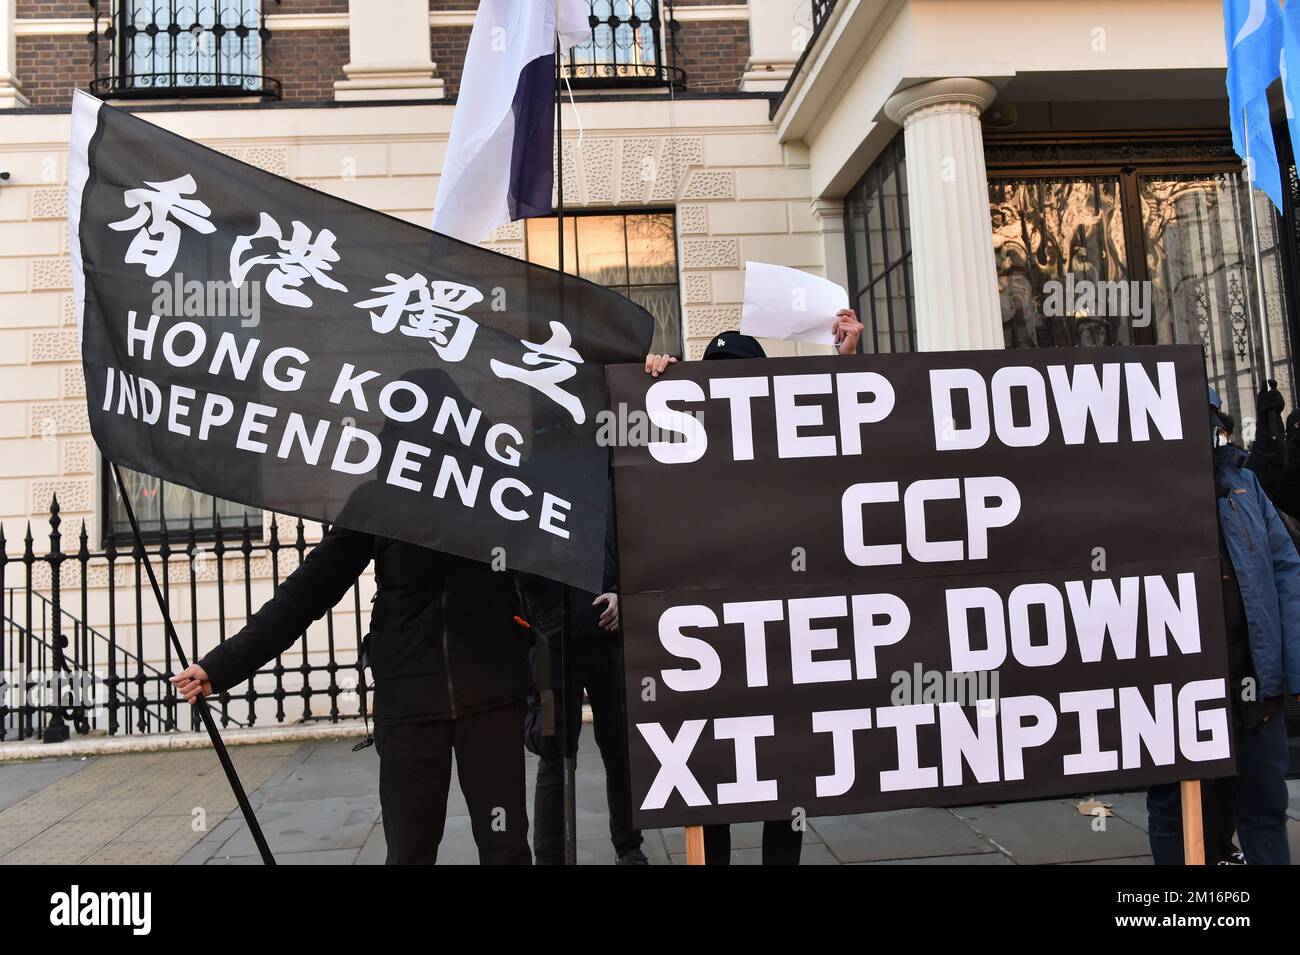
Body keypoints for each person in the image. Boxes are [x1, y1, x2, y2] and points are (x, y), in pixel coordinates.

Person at [643, 307, 864, 866]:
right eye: (715, 376)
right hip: (707, 642)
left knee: (784, 776)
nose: (726, 388)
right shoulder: (681, 443)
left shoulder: (787, 443)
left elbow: (848, 443)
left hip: (781, 642)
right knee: (712, 775)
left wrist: (846, 358)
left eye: (738, 377)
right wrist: (651, 383)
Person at [171, 531, 535, 865]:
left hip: (492, 697)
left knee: (506, 845)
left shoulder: (494, 486)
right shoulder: (379, 500)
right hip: (409, 706)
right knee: (410, 850)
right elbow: (309, 589)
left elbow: (550, 564)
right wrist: (222, 666)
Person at [1145, 388, 1300, 865]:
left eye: (1210, 420)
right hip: (1182, 690)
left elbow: (1284, 570)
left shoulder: (1244, 485)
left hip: (1255, 682)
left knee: (1264, 806)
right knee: (1177, 811)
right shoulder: (1145, 492)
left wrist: (1289, 670)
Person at [522, 579, 647, 865]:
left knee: (620, 749)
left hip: (607, 639)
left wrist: (621, 594)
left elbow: (624, 552)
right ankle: (550, 858)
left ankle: (629, 848)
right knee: (552, 751)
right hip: (548, 646)